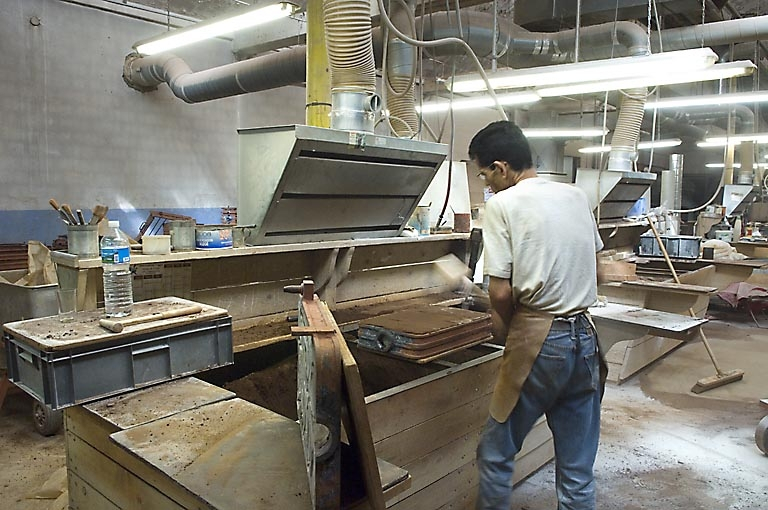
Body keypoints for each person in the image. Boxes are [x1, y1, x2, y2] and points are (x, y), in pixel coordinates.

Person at [468, 120, 606, 510]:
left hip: (540, 341)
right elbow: (599, 268)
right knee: (577, 471)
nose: (487, 185)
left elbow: (500, 291)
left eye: (485, 175)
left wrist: (507, 328)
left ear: (502, 167)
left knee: (495, 455)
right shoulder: (575, 196)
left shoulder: (502, 205)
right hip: (585, 339)